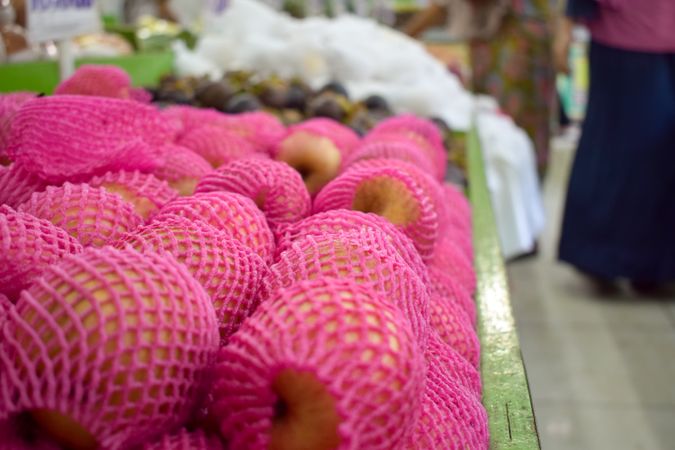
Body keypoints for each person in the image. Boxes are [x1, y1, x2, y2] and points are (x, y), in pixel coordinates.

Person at [556, 0, 675, 293]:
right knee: (620, 154)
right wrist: (566, 30)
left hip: (664, 44)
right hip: (624, 47)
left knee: (661, 156)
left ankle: (652, 267)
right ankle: (600, 257)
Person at [405, 0, 556, 169]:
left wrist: (403, 37)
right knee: (492, 126)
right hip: (496, 33)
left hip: (518, 36)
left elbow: (441, 7)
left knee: (511, 135)